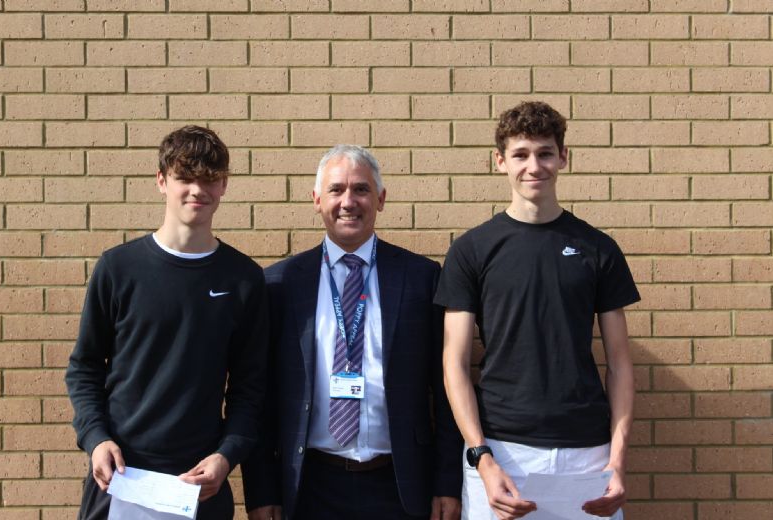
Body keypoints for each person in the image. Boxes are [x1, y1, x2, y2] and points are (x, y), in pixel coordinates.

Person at [436, 101, 639, 520]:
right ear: (500, 162)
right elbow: (454, 364)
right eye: (521, 154)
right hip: (502, 451)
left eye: (545, 152)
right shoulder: (471, 250)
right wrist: (482, 457)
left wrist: (617, 460)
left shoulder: (597, 248)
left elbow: (619, 363)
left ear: (564, 157)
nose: (534, 166)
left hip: (588, 453)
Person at [242, 145, 463, 520]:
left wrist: (447, 481)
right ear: (316, 200)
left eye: (361, 189)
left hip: (400, 485)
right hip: (309, 486)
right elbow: (258, 395)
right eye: (336, 190)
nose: (348, 201)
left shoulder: (420, 278)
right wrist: (262, 491)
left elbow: (445, 391)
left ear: (380, 199)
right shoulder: (280, 284)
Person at [65, 125, 268, 520]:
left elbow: (251, 388)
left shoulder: (243, 279)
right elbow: (84, 367)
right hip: (120, 478)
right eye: (185, 178)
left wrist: (227, 456)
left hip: (198, 485)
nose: (198, 190)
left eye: (210, 179)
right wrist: (96, 439)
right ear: (162, 180)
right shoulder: (118, 269)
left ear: (224, 185)